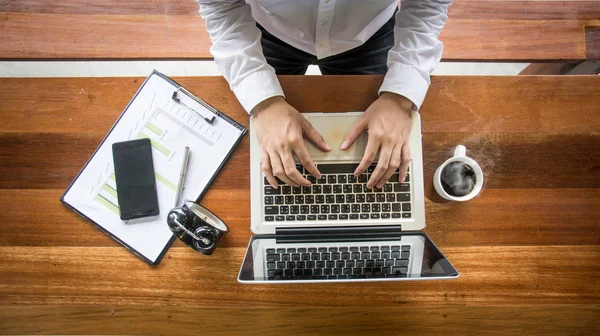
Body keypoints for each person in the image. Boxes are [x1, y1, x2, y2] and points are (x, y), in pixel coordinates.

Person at [197, 0, 452, 190]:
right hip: (267, 30)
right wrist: (263, 102)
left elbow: (428, 4)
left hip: (368, 35)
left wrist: (400, 95)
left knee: (377, 156)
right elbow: (221, 6)